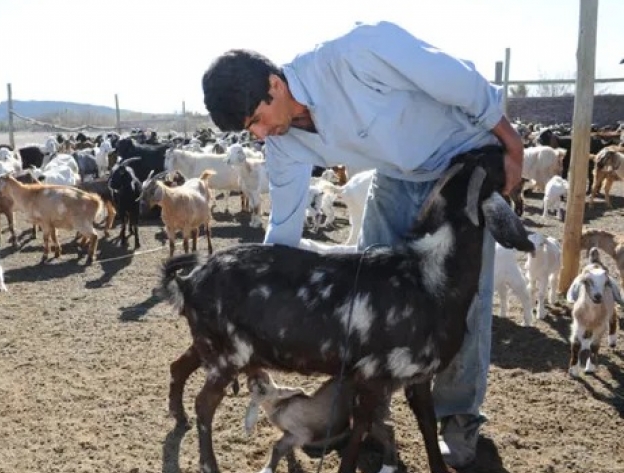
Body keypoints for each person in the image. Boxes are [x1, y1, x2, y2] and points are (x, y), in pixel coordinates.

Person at [201, 20, 524, 468]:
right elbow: (284, 233)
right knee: (366, 302)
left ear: (275, 85)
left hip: (459, 167)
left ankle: (458, 421)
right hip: (395, 179)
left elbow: (457, 79)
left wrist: (511, 142)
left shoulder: (357, 54)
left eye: (255, 120)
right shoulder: (284, 144)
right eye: (247, 129)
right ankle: (372, 422)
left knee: (461, 306)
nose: (257, 134)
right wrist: (258, 307)